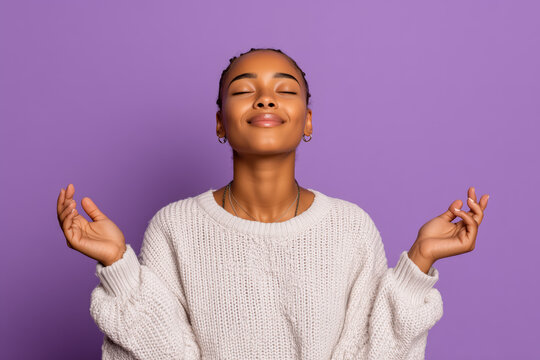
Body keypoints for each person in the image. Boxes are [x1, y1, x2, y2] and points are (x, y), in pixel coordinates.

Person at [56, 48, 489, 359]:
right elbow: (163, 352)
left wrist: (418, 262)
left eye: (286, 90)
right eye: (244, 90)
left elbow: (372, 351)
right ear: (221, 123)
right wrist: (118, 265)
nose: (266, 98)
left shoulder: (350, 226)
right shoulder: (175, 226)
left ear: (308, 121)